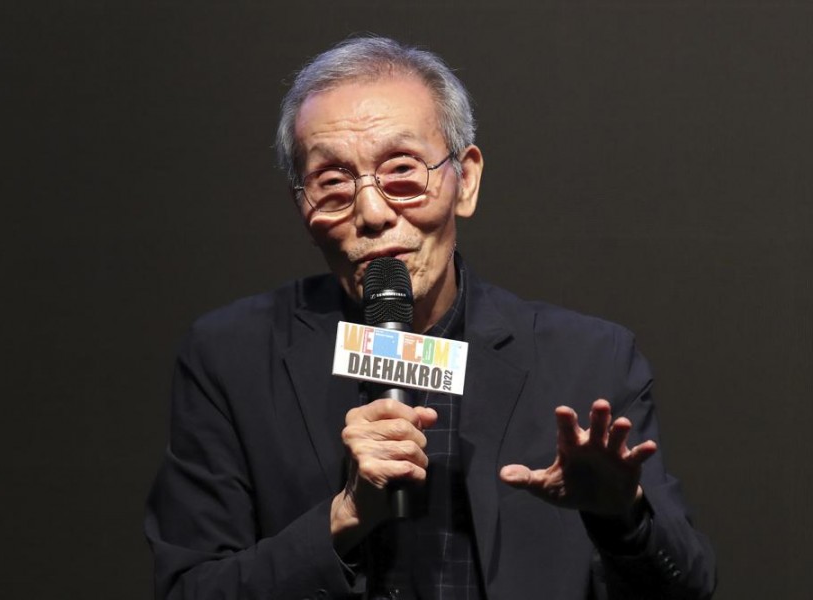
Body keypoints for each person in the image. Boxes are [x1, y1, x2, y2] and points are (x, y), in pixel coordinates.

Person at [145, 36, 717, 599]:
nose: (372, 212)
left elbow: (690, 586)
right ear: (303, 206)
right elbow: (190, 587)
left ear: (464, 180)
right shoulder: (232, 357)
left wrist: (623, 518)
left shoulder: (590, 360)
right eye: (334, 183)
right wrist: (343, 518)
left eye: (401, 172)